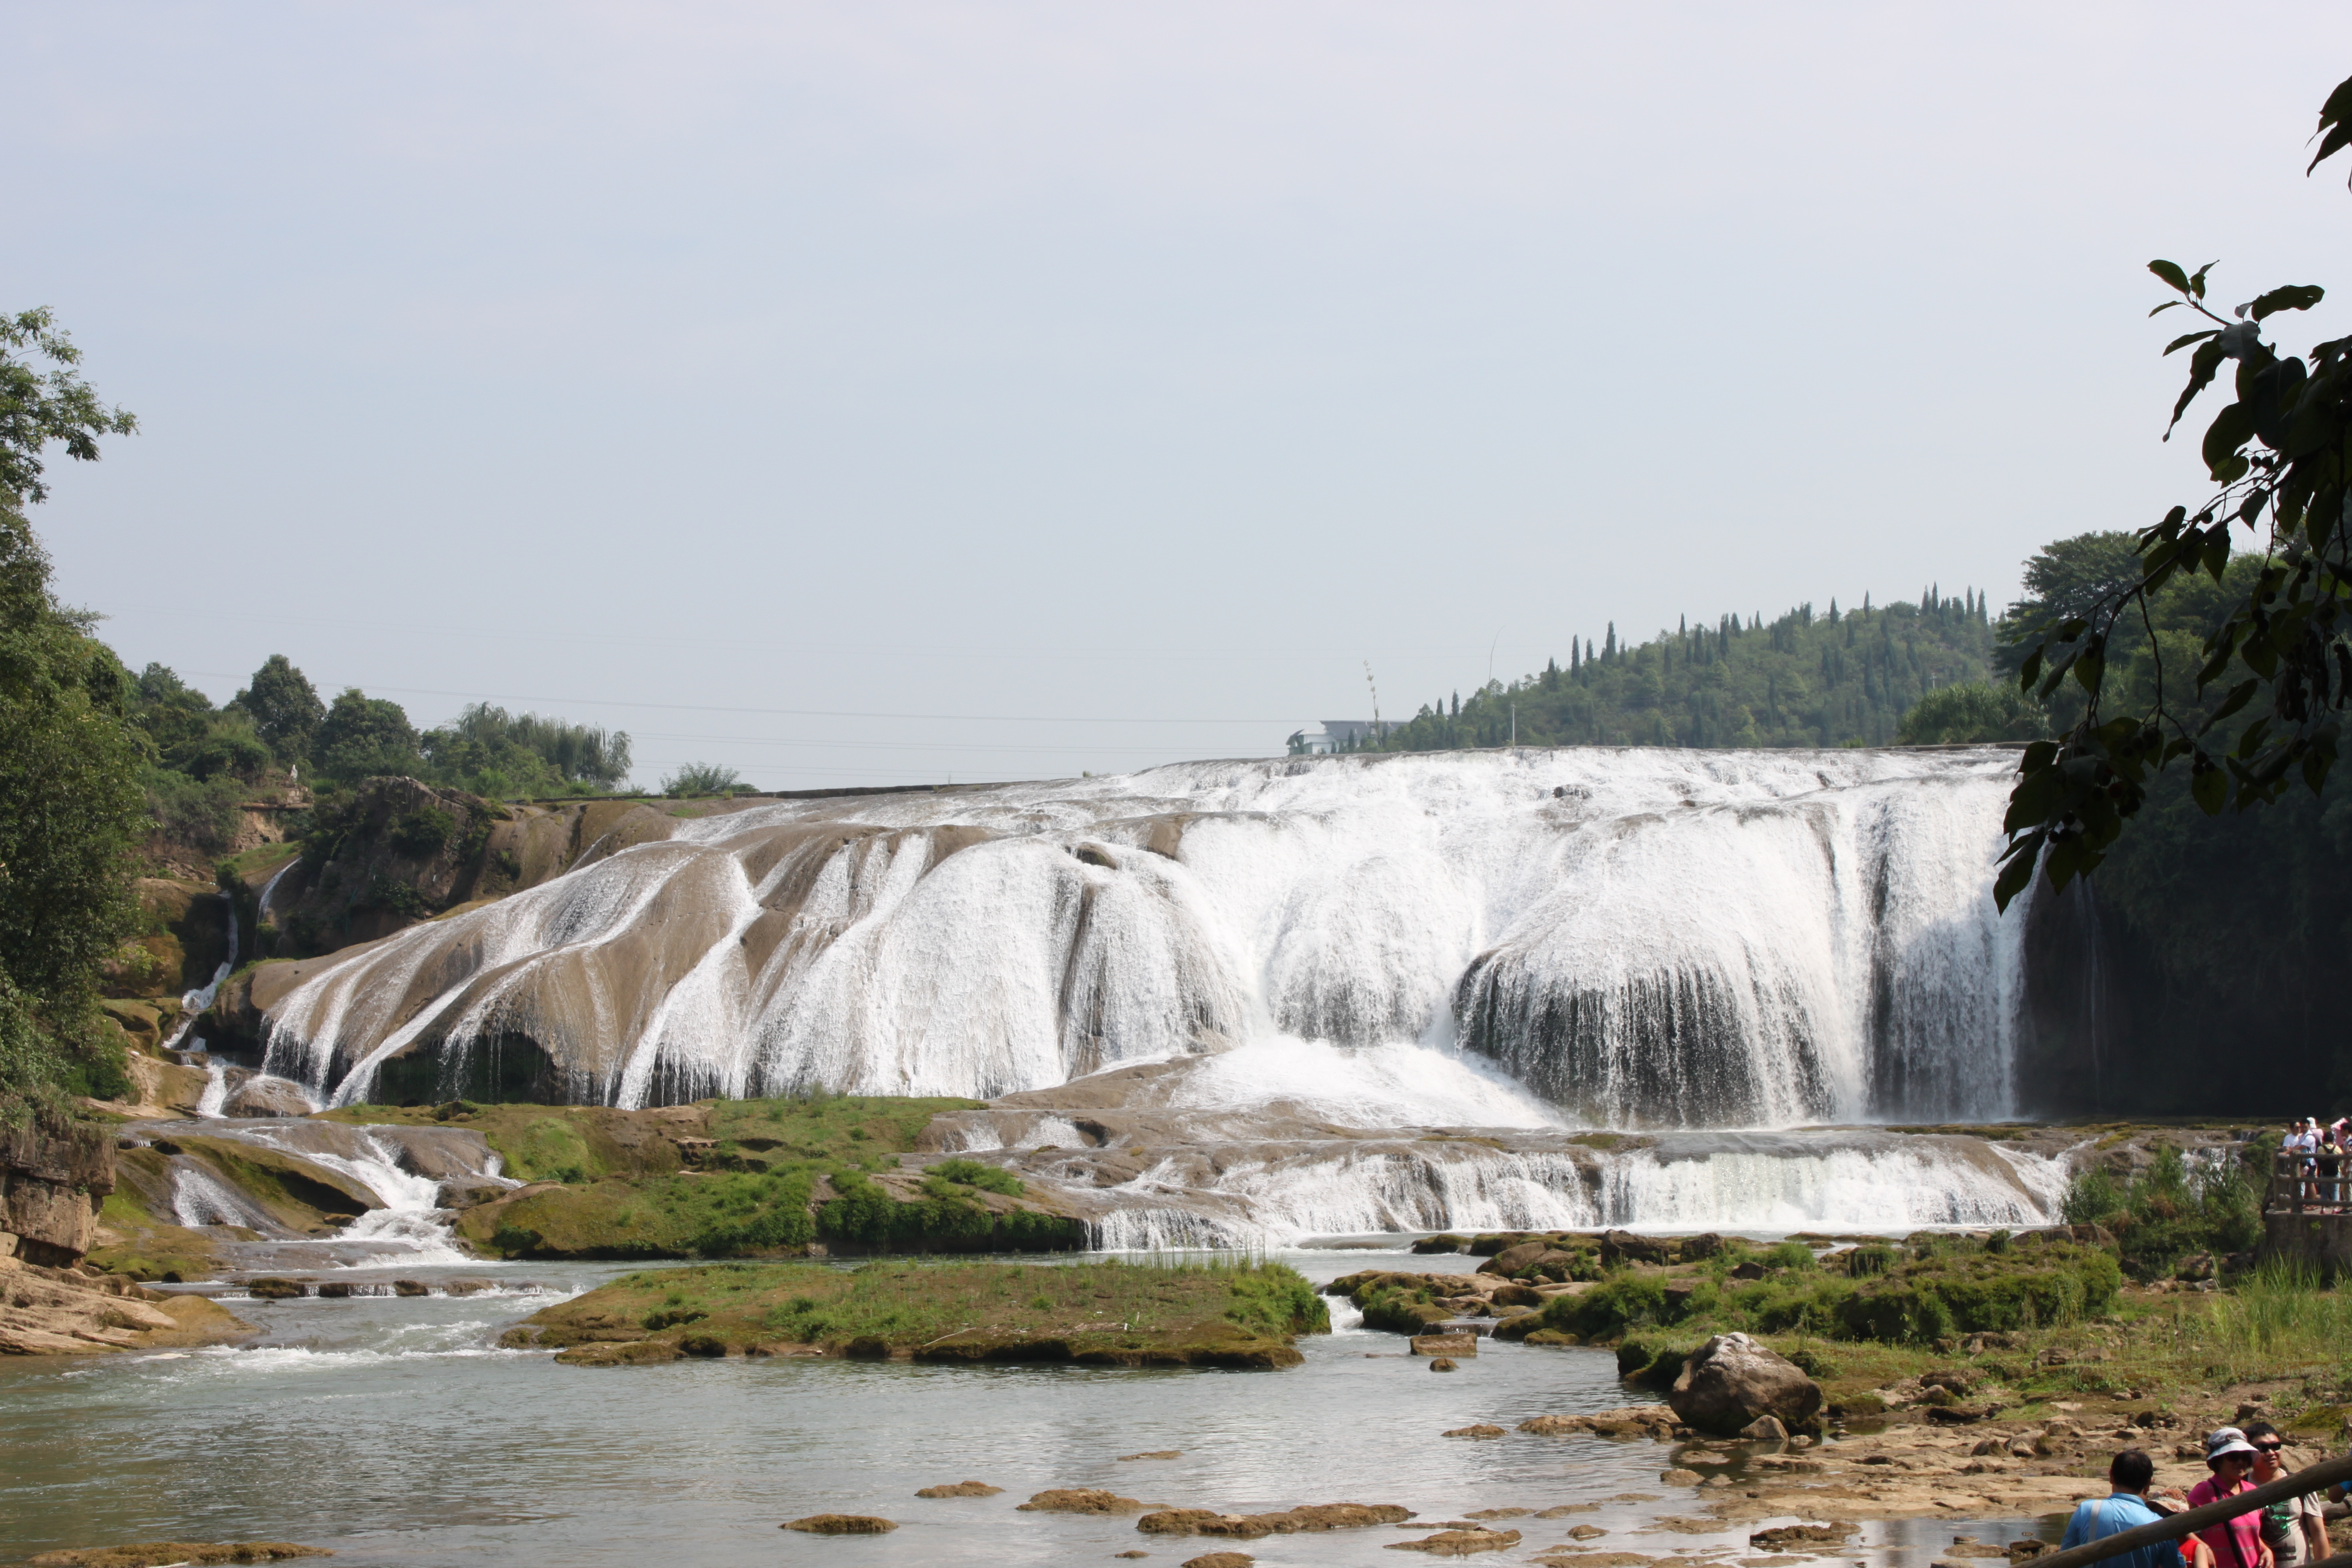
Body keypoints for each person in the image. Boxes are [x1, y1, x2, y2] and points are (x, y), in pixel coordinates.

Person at [2062, 1450, 2206, 1568]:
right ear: (2149, 1484)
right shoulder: (2160, 1526)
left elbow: (2064, 1559)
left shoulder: (2087, 1510)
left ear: (2111, 1476)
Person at [2242, 1422, 2330, 1568]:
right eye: (2262, 1448)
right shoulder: (2238, 1489)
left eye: (2276, 1446)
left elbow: (2318, 1533)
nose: (2271, 1453)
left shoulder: (2301, 1484)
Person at [2189, 1428, 2275, 1568]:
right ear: (2218, 1461)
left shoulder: (2251, 1491)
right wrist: (2205, 1548)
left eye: (2245, 1457)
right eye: (2234, 1456)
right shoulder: (2204, 1491)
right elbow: (2185, 1531)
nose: (2241, 1462)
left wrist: (2266, 1550)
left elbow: (2248, 1534)